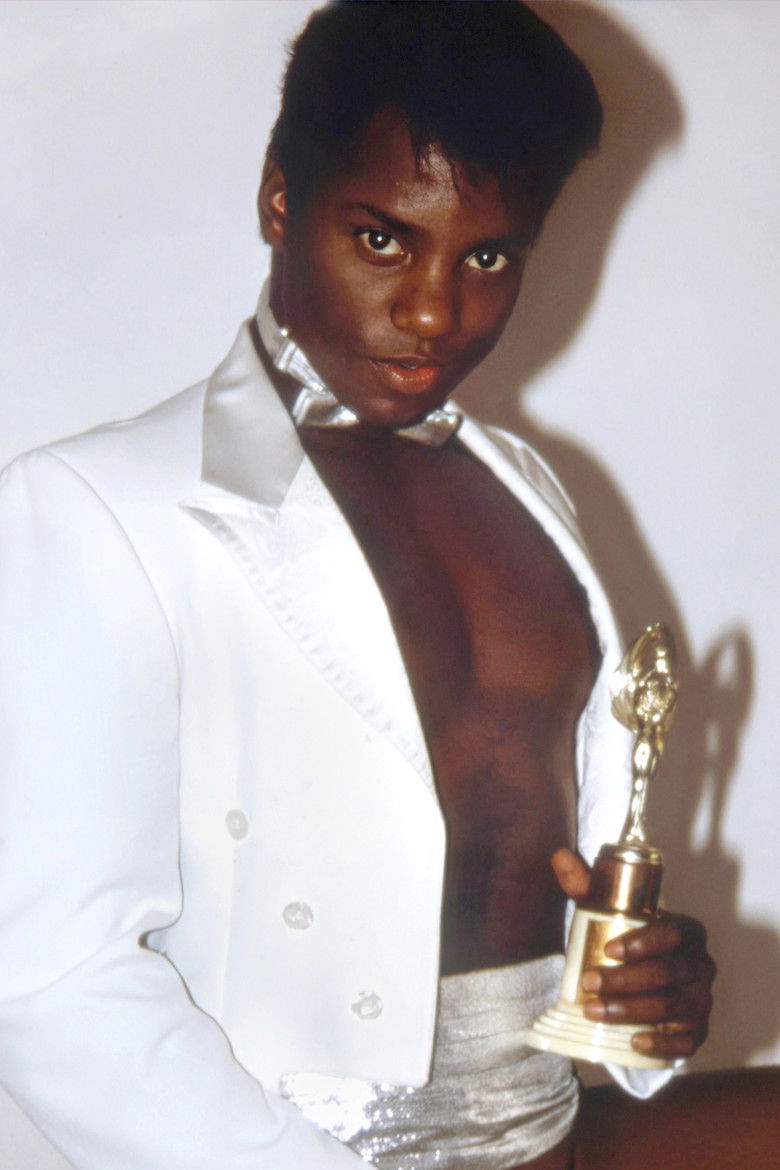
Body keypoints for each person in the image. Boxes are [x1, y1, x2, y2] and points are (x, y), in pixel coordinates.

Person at [4, 2, 763, 1168]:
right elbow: (46, 977)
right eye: (382, 240)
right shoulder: (101, 510)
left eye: (488, 257)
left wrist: (645, 995)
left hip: (548, 1131)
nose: (432, 312)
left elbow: (539, 871)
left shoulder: (527, 493)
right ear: (280, 199)